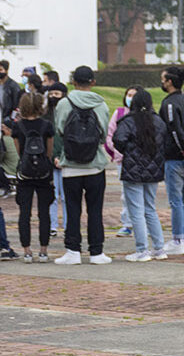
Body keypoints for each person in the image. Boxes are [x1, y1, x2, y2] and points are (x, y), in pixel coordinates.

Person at [53, 66, 111, 265]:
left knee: (72, 208)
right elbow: (103, 135)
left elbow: (60, 130)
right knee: (95, 210)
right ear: (93, 82)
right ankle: (97, 252)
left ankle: (72, 250)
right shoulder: (101, 104)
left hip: (70, 164)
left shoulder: (63, 103)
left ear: (73, 82)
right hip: (95, 164)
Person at [112, 88, 168, 262]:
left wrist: (130, 151)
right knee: (150, 208)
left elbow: (118, 140)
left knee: (136, 210)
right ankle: (159, 248)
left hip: (133, 170)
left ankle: (141, 249)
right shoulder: (159, 121)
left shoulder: (128, 121)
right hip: (153, 170)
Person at [11, 93, 55, 262]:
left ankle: (27, 251)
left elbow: (18, 151)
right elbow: (49, 151)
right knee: (44, 213)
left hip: (25, 173)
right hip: (44, 173)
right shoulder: (47, 125)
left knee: (24, 212)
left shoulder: (18, 126)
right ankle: (43, 250)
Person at [159, 66, 184, 256]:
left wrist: (183, 150)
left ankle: (178, 238)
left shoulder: (170, 104)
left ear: (170, 81)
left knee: (177, 200)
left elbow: (174, 130)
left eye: (163, 79)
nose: (162, 82)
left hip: (175, 157)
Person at [106, 86, 140, 238]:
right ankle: (127, 224)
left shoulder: (144, 115)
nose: (130, 98)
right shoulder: (119, 113)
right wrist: (117, 152)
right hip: (122, 160)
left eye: (134, 95)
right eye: (129, 94)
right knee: (125, 194)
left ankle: (140, 223)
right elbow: (110, 134)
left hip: (140, 160)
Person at [42, 83, 68, 238]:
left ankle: (67, 225)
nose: (53, 97)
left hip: (66, 160)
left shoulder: (68, 113)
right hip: (50, 160)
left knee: (66, 197)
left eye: (57, 94)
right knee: (51, 196)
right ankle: (52, 225)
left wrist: (62, 157)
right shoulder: (46, 115)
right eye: (51, 93)